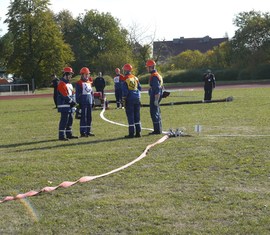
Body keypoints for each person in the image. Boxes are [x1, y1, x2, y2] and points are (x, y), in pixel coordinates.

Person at [57, 67, 78, 141]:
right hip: (64, 105)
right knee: (64, 120)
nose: (71, 76)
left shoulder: (69, 84)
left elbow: (73, 94)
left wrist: (74, 103)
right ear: (65, 74)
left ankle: (69, 134)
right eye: (70, 74)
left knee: (70, 120)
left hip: (70, 105)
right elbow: (64, 95)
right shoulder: (61, 83)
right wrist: (72, 102)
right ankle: (61, 135)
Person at [122, 63, 142, 138]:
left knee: (130, 115)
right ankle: (138, 132)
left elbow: (125, 91)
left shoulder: (125, 79)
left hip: (130, 98)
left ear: (126, 70)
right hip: (137, 98)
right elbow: (139, 88)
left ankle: (131, 133)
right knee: (137, 115)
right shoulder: (135, 78)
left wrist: (124, 99)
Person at [76, 67, 95, 137]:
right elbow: (77, 94)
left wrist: (93, 101)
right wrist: (78, 103)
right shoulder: (79, 83)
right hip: (83, 102)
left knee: (89, 117)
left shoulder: (89, 82)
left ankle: (88, 131)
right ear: (82, 74)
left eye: (88, 74)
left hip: (89, 102)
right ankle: (83, 132)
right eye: (86, 74)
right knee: (83, 117)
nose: (87, 75)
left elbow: (91, 93)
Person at [146, 59, 163, 135]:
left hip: (155, 96)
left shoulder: (154, 76)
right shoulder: (156, 74)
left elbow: (157, 89)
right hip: (156, 95)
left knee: (154, 112)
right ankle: (158, 129)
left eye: (148, 67)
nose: (147, 69)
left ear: (151, 67)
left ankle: (157, 130)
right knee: (157, 112)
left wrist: (156, 99)